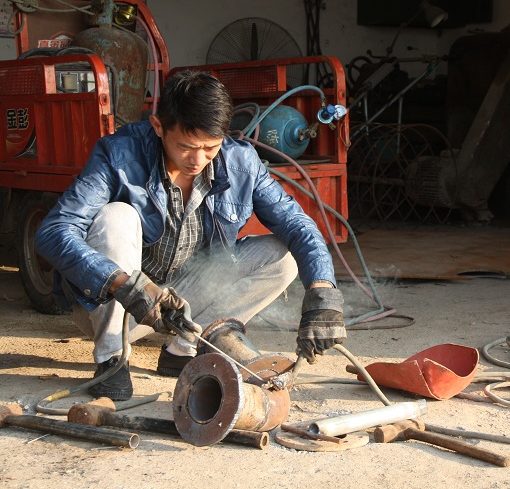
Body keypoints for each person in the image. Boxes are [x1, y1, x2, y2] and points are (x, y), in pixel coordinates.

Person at [35, 70, 347, 401]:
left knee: (283, 257)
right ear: (158, 127)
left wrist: (322, 295)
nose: (198, 160)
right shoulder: (118, 154)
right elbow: (54, 231)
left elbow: (298, 225)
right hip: (117, 305)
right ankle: (112, 358)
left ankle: (185, 348)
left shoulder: (242, 162)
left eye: (210, 147)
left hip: (179, 306)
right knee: (116, 216)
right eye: (186, 147)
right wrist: (125, 285)